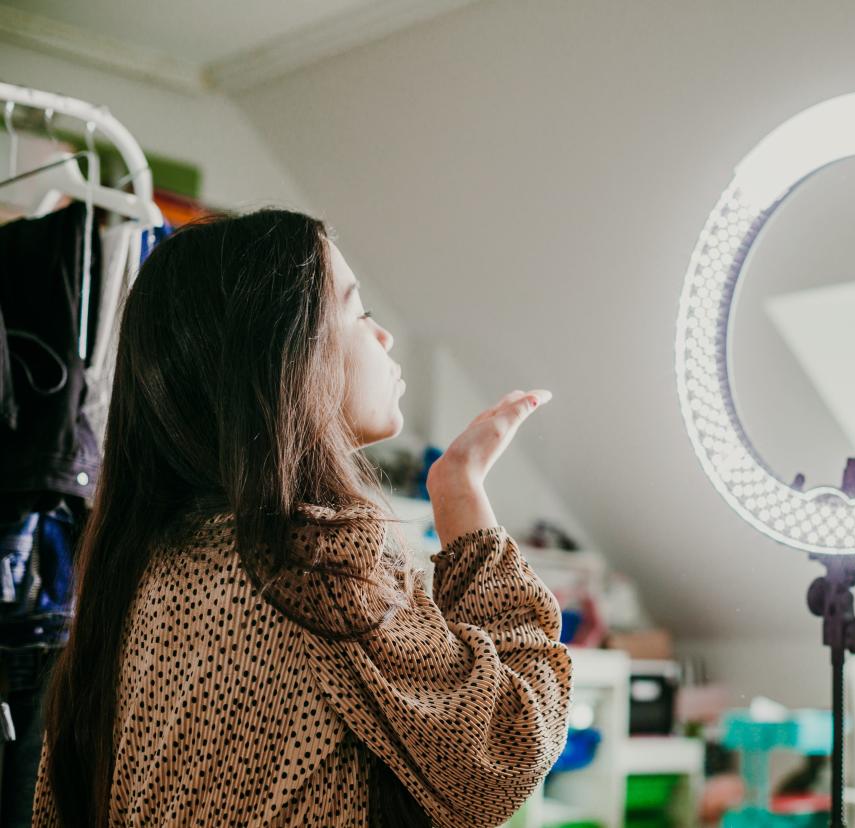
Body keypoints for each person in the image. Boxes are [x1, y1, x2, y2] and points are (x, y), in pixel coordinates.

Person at [30, 208, 571, 827]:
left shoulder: (137, 570)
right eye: (358, 311)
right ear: (288, 354)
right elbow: (507, 746)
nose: (385, 337)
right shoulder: (311, 564)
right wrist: (461, 494)